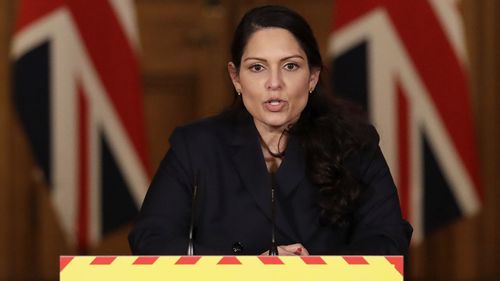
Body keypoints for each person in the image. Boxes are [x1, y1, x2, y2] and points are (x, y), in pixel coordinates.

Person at [129, 5, 412, 256]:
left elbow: (388, 240)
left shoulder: (355, 144)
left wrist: (313, 271)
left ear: (312, 77)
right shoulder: (195, 146)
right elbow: (150, 239)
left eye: (290, 66)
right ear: (236, 78)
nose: (274, 83)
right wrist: (250, 269)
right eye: (257, 68)